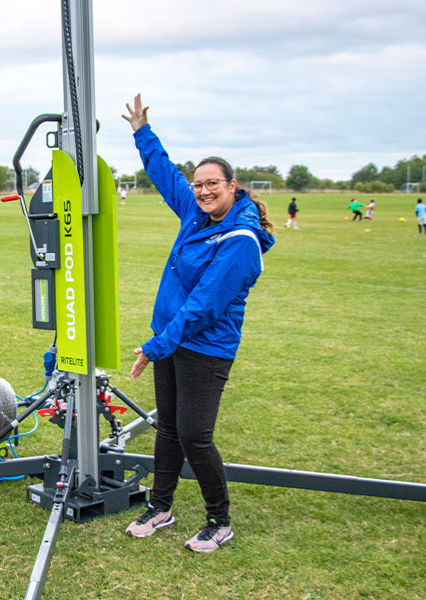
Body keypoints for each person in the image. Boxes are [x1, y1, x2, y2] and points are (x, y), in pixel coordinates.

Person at [121, 94, 275, 553]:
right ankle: (161, 507)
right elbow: (166, 174)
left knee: (194, 435)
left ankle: (219, 520)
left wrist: (155, 346)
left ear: (233, 186)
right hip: (171, 339)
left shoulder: (241, 239)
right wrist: (142, 134)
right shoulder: (196, 211)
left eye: (213, 184)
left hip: (205, 346)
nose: (204, 190)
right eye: (199, 184)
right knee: (166, 426)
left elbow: (204, 307)